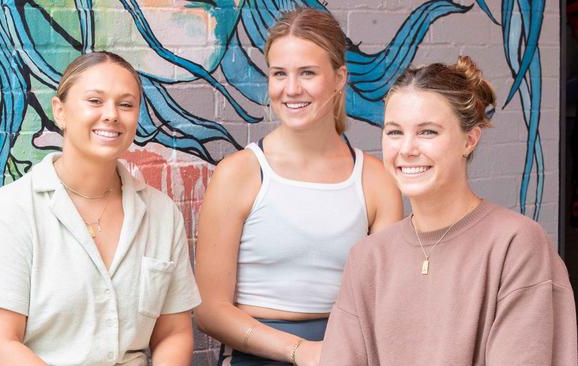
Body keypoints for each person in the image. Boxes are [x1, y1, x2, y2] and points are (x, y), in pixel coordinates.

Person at [320, 56, 578, 365]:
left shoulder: (517, 244)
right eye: (394, 132)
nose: (407, 149)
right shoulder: (367, 258)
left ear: (469, 139)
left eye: (428, 132)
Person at [0, 51, 200, 366]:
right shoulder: (9, 213)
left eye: (125, 104)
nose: (112, 114)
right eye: (95, 101)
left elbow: (173, 333)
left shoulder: (161, 214)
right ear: (60, 112)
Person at [194, 8, 403, 366]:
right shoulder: (239, 173)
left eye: (307, 73)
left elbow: (384, 302)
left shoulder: (376, 180)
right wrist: (299, 351)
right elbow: (209, 310)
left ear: (339, 78)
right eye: (279, 74)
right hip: (255, 358)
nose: (291, 89)